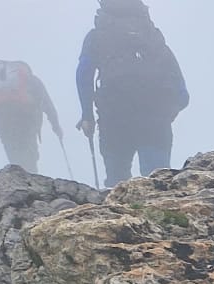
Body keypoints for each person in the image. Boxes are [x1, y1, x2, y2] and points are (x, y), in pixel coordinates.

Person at [75, 0, 188, 186]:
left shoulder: (96, 36)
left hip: (114, 116)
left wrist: (87, 114)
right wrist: (171, 109)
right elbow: (182, 92)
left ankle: (118, 211)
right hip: (155, 116)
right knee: (157, 179)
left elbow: (83, 74)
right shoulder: (152, 35)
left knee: (117, 183)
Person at [0, 61, 64, 175]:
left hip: (5, 124)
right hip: (27, 121)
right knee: (29, 156)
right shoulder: (32, 81)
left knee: (14, 154)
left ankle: (18, 178)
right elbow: (47, 103)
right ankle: (30, 181)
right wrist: (56, 127)